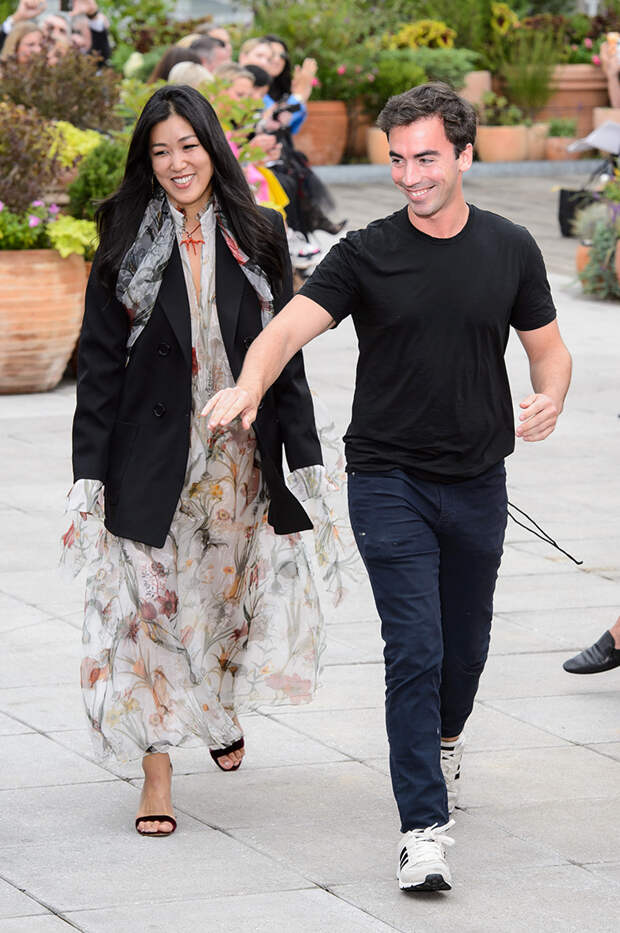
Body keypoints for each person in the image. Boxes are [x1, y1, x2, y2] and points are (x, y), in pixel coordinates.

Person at [202, 82, 573, 892]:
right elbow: (284, 330)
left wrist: (550, 394)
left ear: (465, 154)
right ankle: (421, 829)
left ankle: (446, 737)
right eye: (398, 159)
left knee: (464, 651)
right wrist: (251, 384)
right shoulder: (365, 253)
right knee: (414, 647)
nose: (410, 175)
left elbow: (549, 349)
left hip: (478, 482)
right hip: (386, 480)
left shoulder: (510, 247)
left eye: (427, 158)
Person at [63, 84, 354, 838]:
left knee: (225, 605)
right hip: (149, 457)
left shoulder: (260, 231)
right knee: (148, 613)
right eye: (160, 151)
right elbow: (100, 363)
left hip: (237, 461)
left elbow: (284, 353)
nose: (176, 163)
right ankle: (157, 771)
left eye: (188, 146)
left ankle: (217, 708)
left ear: (212, 147)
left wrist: (304, 459)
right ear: (147, 160)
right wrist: (88, 475)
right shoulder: (123, 230)